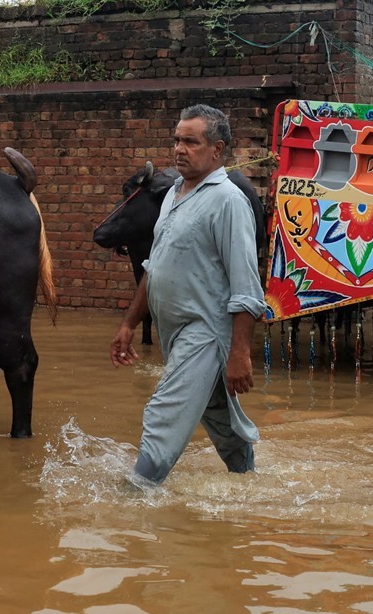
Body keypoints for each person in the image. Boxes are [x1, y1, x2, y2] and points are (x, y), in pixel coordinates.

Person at [110, 104, 267, 487]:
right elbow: (155, 267)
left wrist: (240, 354)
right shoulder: (174, 195)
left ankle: (133, 498)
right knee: (222, 421)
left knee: (163, 414)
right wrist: (129, 324)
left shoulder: (228, 201)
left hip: (206, 333)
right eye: (177, 140)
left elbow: (247, 286)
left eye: (191, 142)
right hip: (176, 333)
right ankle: (251, 488)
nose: (179, 149)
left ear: (217, 149)